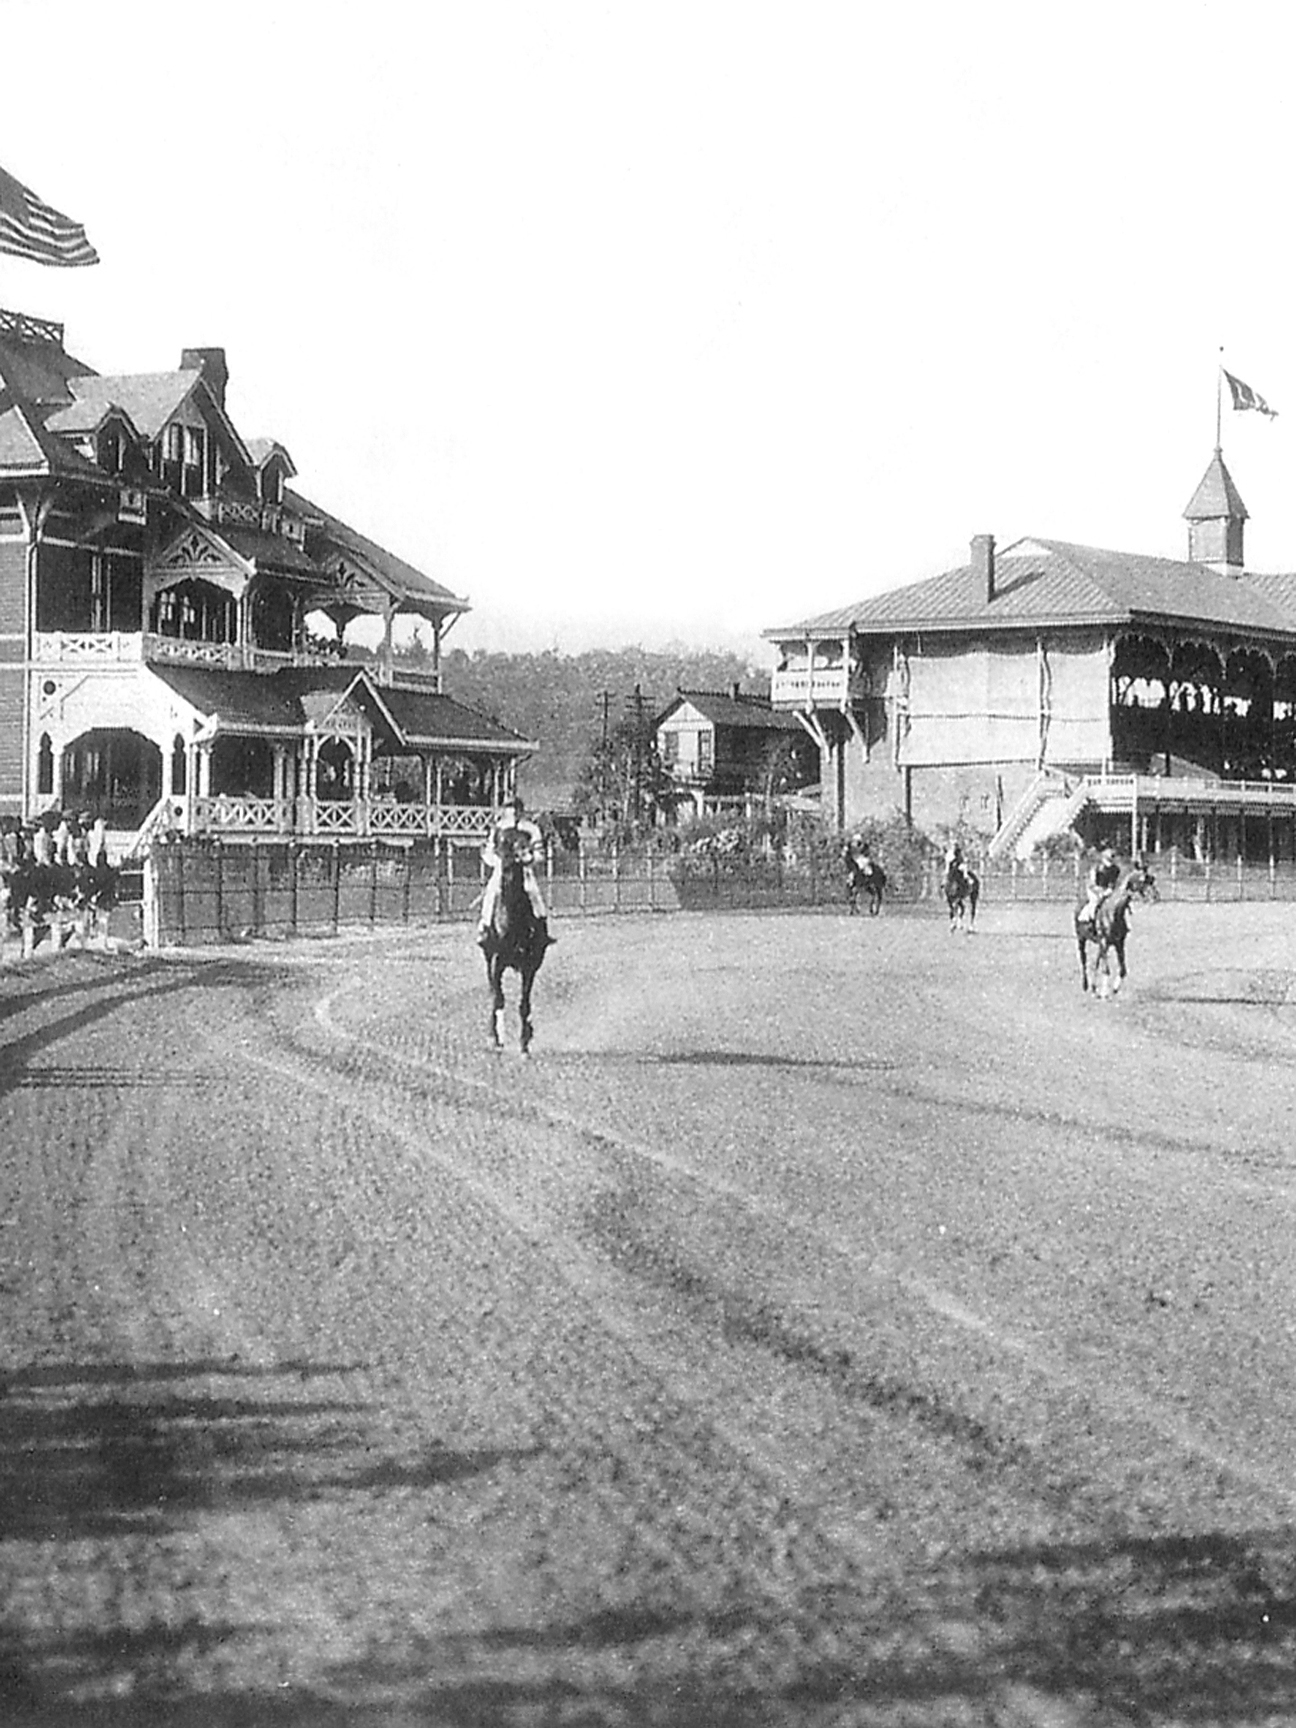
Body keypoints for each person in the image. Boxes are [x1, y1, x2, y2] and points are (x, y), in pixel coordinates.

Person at [477, 795, 555, 947]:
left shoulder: (531, 829)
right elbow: (489, 852)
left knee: (534, 893)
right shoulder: (498, 828)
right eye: (509, 808)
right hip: (503, 870)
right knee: (491, 893)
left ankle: (542, 930)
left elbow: (540, 855)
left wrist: (528, 858)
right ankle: (484, 928)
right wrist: (496, 861)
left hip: (524, 871)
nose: (512, 812)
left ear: (521, 811)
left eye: (515, 809)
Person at [1081, 844, 1121, 923]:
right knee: (1095, 901)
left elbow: (1114, 881)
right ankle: (1087, 918)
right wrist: (1098, 889)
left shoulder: (1115, 869)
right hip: (1095, 889)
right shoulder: (1096, 867)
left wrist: (1111, 889)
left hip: (1108, 890)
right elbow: (1092, 881)